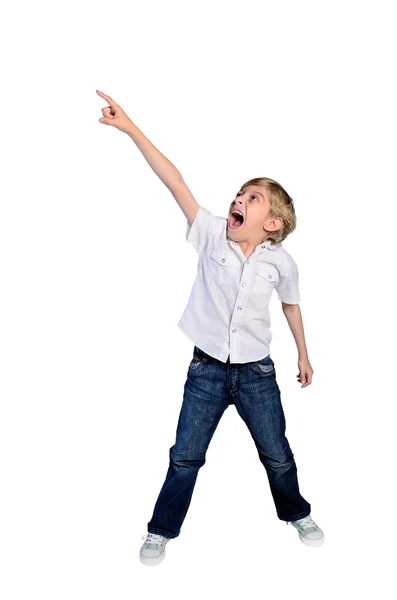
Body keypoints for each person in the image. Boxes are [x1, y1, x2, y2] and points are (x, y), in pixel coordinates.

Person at [96, 89, 324, 567]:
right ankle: (161, 530)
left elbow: (292, 307)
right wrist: (132, 128)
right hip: (206, 373)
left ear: (273, 224)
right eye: (240, 194)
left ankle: (296, 513)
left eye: (253, 198)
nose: (239, 199)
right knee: (185, 455)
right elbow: (174, 181)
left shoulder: (281, 262)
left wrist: (303, 354)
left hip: (257, 375)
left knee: (277, 453)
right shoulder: (211, 233)